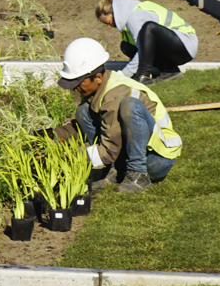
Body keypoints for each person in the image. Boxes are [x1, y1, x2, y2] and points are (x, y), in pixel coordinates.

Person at [56, 36, 182, 193]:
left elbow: (110, 148)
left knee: (130, 106)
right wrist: (54, 136)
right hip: (132, 153)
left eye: (78, 83)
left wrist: (72, 156)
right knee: (83, 111)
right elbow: (87, 127)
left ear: (98, 77)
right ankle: (113, 170)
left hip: (157, 159)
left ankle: (138, 175)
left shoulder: (115, 93)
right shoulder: (97, 89)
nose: (75, 88)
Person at [96, 0, 197, 84]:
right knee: (126, 46)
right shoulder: (130, 16)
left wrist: (123, 75)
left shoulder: (135, 18)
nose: (109, 26)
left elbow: (142, 52)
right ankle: (170, 72)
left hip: (185, 43)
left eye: (107, 22)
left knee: (149, 28)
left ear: (114, 13)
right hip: (176, 45)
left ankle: (144, 76)